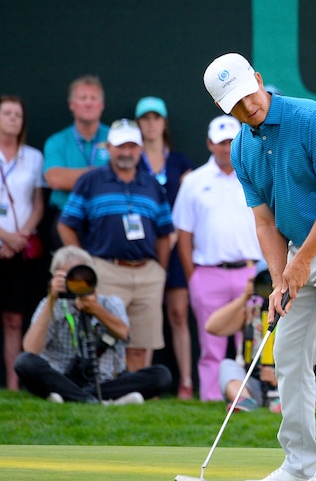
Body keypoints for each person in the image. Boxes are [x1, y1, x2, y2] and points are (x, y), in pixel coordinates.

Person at [204, 52, 316, 481]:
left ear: (259, 81)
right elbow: (264, 222)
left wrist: (298, 265)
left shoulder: (310, 118)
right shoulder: (241, 147)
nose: (246, 108)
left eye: (248, 95)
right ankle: (299, 464)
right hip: (299, 250)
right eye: (234, 105)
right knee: (288, 356)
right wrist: (281, 275)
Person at [57, 118, 173, 373]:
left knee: (141, 345)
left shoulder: (152, 185)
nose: (126, 152)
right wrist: (84, 264)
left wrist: (159, 271)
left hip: (146, 272)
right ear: (108, 148)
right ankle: (105, 392)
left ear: (140, 149)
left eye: (132, 146)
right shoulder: (91, 181)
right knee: (105, 339)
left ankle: (136, 395)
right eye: (121, 147)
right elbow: (66, 224)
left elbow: (165, 232)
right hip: (105, 268)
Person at [172, 115, 261, 401]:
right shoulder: (194, 181)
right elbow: (183, 233)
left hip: (251, 271)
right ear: (210, 144)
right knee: (211, 343)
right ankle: (212, 396)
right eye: (221, 142)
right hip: (208, 272)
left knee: (251, 339)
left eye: (232, 142)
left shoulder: (257, 177)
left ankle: (247, 396)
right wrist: (193, 276)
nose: (226, 148)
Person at [14, 246, 171, 405]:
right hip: (62, 378)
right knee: (24, 362)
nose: (77, 282)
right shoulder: (49, 305)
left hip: (106, 381)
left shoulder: (109, 302)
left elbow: (123, 332)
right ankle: (97, 401)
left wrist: (94, 308)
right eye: (70, 277)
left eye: (82, 276)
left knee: (161, 375)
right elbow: (31, 349)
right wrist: (52, 299)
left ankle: (76, 397)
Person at [0, 95, 45, 391]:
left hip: (20, 246)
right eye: (7, 113)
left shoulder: (33, 157)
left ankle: (14, 385)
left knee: (15, 318)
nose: (13, 119)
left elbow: (38, 205)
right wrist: (4, 236)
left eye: (18, 114)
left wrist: (19, 238)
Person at [134, 96, 195, 398]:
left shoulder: (181, 162)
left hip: (175, 248)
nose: (150, 124)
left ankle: (185, 382)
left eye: (156, 118)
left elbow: (188, 205)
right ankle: (143, 384)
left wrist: (173, 236)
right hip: (143, 247)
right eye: (145, 119)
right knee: (145, 315)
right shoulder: (131, 160)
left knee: (179, 314)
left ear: (164, 123)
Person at [42, 75, 109, 249]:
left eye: (93, 98)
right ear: (71, 105)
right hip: (67, 219)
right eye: (82, 98)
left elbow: (125, 177)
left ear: (101, 105)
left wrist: (73, 177)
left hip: (107, 218)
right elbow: (55, 179)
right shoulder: (57, 141)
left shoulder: (115, 138)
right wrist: (100, 174)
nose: (88, 103)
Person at [205, 268, 281, 413]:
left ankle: (286, 403)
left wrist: (279, 377)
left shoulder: (296, 311)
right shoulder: (250, 312)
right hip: (252, 381)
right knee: (227, 365)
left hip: (288, 382)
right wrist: (244, 298)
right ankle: (245, 400)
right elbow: (211, 327)